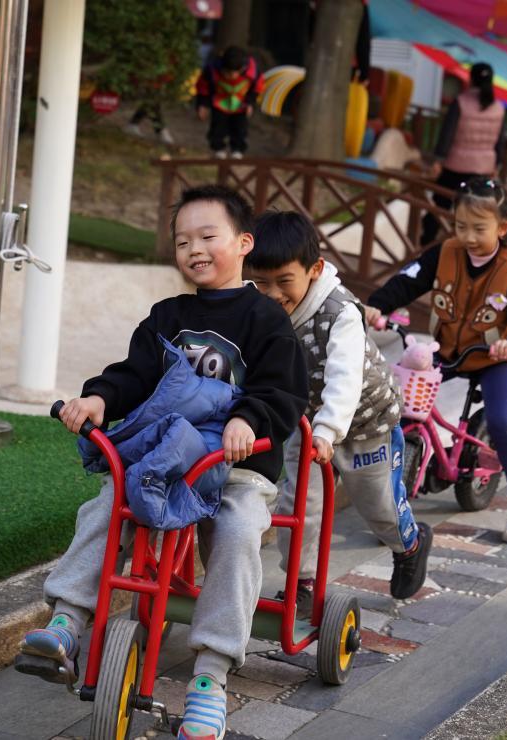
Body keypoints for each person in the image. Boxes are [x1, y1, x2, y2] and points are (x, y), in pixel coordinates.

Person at [15, 185, 308, 740]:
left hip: (235, 468)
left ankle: (211, 675)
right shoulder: (168, 315)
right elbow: (134, 373)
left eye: (208, 236)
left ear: (243, 243)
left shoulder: (266, 319)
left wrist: (249, 419)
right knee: (109, 503)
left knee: (239, 530)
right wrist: (99, 398)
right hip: (166, 461)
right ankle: (67, 620)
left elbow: (284, 392)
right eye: (182, 241)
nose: (194, 249)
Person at [244, 211, 433, 615]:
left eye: (283, 281)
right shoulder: (259, 303)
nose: (272, 293)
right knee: (298, 504)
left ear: (314, 270)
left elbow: (344, 379)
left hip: (365, 422)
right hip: (308, 424)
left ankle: (410, 543)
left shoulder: (340, 312)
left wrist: (328, 430)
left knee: (377, 506)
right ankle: (302, 581)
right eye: (261, 282)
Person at [364, 179, 507, 545]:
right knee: (397, 403)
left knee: (501, 419)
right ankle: (389, 498)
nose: (468, 236)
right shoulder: (444, 253)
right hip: (446, 349)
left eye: (479, 229)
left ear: (503, 228)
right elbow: (407, 281)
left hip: (492, 357)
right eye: (461, 226)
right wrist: (377, 306)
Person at [421, 62, 505, 245]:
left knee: (439, 205)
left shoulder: (461, 102)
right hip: (483, 171)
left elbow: (447, 134)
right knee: (476, 213)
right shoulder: (499, 107)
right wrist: (497, 165)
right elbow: (500, 140)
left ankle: (426, 244)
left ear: (471, 79)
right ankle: (471, 250)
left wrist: (438, 160)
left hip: (455, 167)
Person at [195, 45, 264, 159]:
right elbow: (203, 87)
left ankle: (237, 150)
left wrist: (250, 103)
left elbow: (257, 88)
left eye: (235, 73)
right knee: (218, 127)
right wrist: (203, 104)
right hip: (220, 103)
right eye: (228, 73)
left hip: (241, 104)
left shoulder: (253, 72)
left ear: (242, 69)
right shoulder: (212, 70)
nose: (232, 77)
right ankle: (218, 149)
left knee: (240, 129)